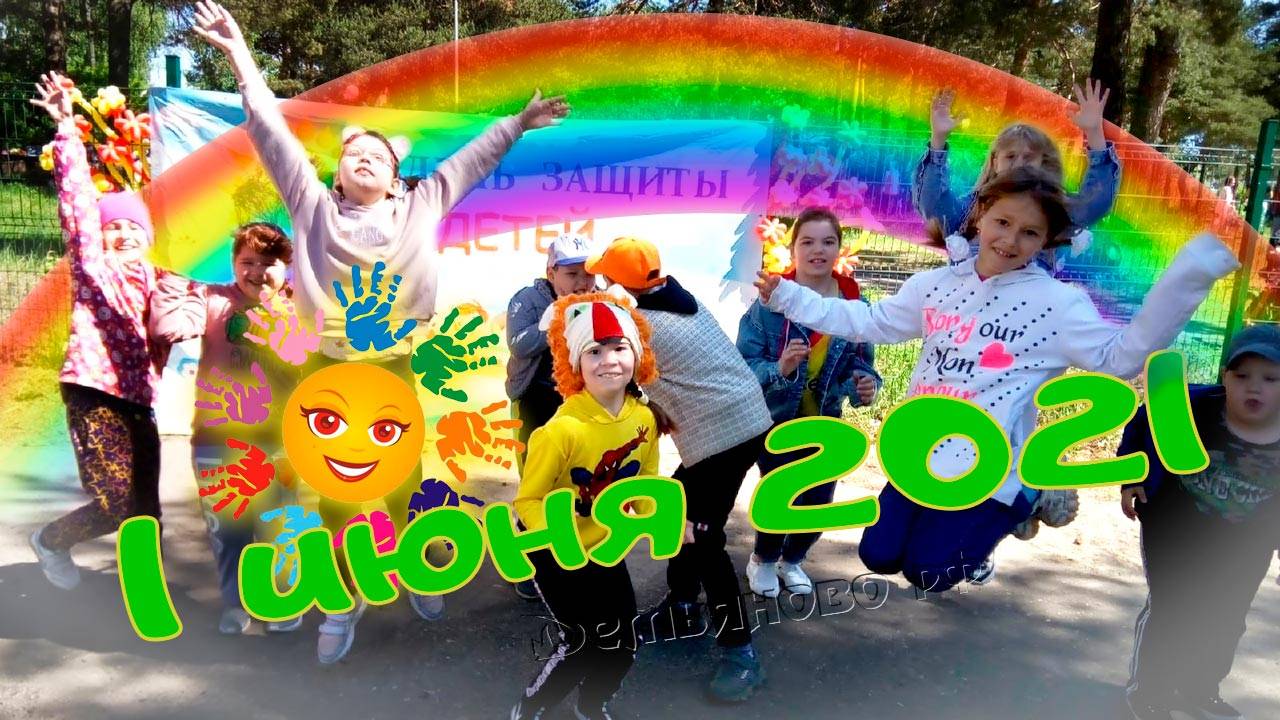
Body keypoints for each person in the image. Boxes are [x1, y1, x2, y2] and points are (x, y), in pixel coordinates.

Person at [192, 0, 569, 663]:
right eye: (353, 153)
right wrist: (238, 54)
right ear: (336, 172)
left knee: (400, 489)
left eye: (377, 154)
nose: (363, 158)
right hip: (327, 369)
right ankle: (340, 600)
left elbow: (471, 161)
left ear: (395, 176)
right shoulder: (311, 207)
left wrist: (517, 123)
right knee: (334, 487)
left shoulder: (420, 206)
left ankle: (415, 569)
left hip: (393, 365)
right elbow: (269, 130)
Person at [756, 166, 1239, 595]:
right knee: (878, 555)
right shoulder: (936, 286)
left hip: (991, 469)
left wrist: (1192, 274)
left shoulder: (1056, 304)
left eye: (1030, 233)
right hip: (920, 457)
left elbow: (1120, 357)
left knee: (930, 573)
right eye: (1003, 222)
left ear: (1046, 241)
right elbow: (868, 321)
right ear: (981, 214)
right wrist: (789, 297)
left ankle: (1027, 497)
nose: (1010, 240)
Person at [587, 237, 774, 702]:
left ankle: (741, 653)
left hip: (724, 435)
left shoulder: (641, 326)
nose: (599, 286)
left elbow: (618, 375)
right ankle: (682, 606)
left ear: (620, 285)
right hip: (744, 419)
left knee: (704, 538)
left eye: (604, 279)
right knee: (678, 509)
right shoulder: (680, 298)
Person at [27, 72, 177, 591]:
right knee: (115, 501)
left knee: (146, 506)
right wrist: (67, 129)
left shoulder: (160, 279)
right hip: (94, 391)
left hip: (140, 401)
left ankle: (146, 592)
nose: (122, 234)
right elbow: (77, 208)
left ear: (147, 237)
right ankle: (51, 540)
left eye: (132, 227)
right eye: (113, 227)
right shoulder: (93, 266)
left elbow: (204, 299)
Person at [510, 292, 659, 720]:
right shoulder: (560, 431)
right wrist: (561, 540)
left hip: (604, 545)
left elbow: (646, 486)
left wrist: (666, 520)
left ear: (637, 354)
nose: (609, 360)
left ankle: (592, 703)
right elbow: (527, 501)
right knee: (582, 641)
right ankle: (531, 705)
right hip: (554, 547)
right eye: (594, 351)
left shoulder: (645, 419)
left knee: (623, 641)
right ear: (575, 363)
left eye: (619, 347)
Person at [1120, 324, 1280, 720]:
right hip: (1176, 522)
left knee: (1227, 616)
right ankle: (1149, 691)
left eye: (1270, 378)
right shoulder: (1195, 406)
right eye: (1241, 375)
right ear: (1224, 377)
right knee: (1172, 607)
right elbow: (1144, 422)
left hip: (1247, 538)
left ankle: (1199, 688)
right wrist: (1132, 478)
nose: (1254, 387)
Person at [150, 222, 302, 635]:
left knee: (279, 526)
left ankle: (281, 599)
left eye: (269, 263)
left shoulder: (301, 304)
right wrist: (174, 277)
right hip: (217, 440)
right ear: (234, 264)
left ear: (286, 267)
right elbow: (166, 328)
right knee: (229, 531)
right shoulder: (213, 299)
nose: (257, 272)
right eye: (247, 262)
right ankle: (237, 603)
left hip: (280, 442)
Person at [736, 207, 881, 597]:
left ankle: (793, 560)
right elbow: (744, 364)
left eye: (828, 242)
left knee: (818, 499)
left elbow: (862, 363)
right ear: (793, 250)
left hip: (826, 425)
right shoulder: (770, 303)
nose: (818, 250)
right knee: (781, 494)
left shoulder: (855, 304)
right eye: (808, 242)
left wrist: (864, 386)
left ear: (839, 249)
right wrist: (780, 367)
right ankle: (764, 560)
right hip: (776, 420)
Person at [915, 79, 1120, 272]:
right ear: (995, 162)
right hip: (972, 295)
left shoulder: (1053, 206)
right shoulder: (973, 207)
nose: (1019, 164)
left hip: (1029, 297)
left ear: (1042, 163)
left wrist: (1094, 132)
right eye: (1010, 156)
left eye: (1028, 157)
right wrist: (938, 139)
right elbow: (933, 207)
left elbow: (1094, 203)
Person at [504, 232, 596, 600]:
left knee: (578, 483)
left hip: (580, 405)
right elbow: (518, 345)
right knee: (536, 486)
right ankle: (528, 563)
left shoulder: (599, 296)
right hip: (535, 401)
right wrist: (555, 320)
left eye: (588, 273)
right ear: (551, 272)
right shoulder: (526, 299)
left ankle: (572, 552)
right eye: (572, 274)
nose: (582, 282)